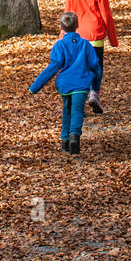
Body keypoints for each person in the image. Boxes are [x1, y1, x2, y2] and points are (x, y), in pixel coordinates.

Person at [28, 12, 102, 156]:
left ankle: (65, 141)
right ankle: (74, 136)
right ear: (77, 26)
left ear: (61, 27)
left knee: (67, 109)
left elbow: (53, 67)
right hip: (81, 84)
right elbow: (95, 66)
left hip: (65, 84)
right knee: (77, 110)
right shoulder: (85, 44)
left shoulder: (60, 45)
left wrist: (35, 87)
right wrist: (96, 85)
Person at [65, 0, 119, 115]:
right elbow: (106, 14)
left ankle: (78, 103)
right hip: (95, 35)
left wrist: (64, 37)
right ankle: (94, 94)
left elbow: (68, 13)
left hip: (77, 35)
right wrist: (113, 39)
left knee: (79, 68)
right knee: (96, 67)